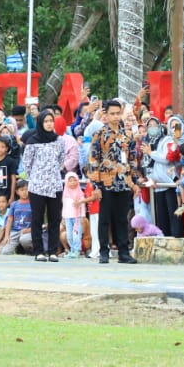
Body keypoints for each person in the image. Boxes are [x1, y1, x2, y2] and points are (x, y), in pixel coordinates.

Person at [87, 100, 139, 264]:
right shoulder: (100, 135)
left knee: (122, 218)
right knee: (104, 218)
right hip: (105, 182)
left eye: (118, 113)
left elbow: (132, 159)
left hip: (123, 182)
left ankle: (124, 252)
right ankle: (104, 251)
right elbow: (93, 160)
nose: (116, 117)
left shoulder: (128, 135)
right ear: (106, 115)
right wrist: (96, 185)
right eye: (112, 114)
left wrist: (134, 181)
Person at [20, 110, 65, 262]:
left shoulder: (59, 140)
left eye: (51, 121)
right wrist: (37, 175)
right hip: (37, 185)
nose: (49, 124)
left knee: (54, 218)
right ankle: (38, 251)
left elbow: (61, 160)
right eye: (46, 121)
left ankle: (53, 251)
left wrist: (52, 172)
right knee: (37, 218)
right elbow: (27, 163)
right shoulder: (32, 141)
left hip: (54, 184)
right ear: (40, 123)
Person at [0, 180, 34, 255]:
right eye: (22, 190)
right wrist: (7, 236)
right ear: (17, 192)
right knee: (4, 252)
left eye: (26, 189)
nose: (24, 192)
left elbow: (36, 220)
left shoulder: (33, 203)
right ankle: (17, 248)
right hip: (14, 232)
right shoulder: (14, 204)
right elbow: (9, 220)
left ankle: (29, 250)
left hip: (27, 232)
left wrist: (29, 229)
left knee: (25, 240)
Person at [61, 172, 87, 258]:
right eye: (70, 181)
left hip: (77, 218)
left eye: (74, 180)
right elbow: (64, 206)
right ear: (66, 182)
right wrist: (63, 217)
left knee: (76, 235)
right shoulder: (65, 194)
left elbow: (82, 205)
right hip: (67, 218)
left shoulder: (80, 193)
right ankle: (72, 249)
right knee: (69, 235)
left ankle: (77, 250)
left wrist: (83, 216)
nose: (73, 182)